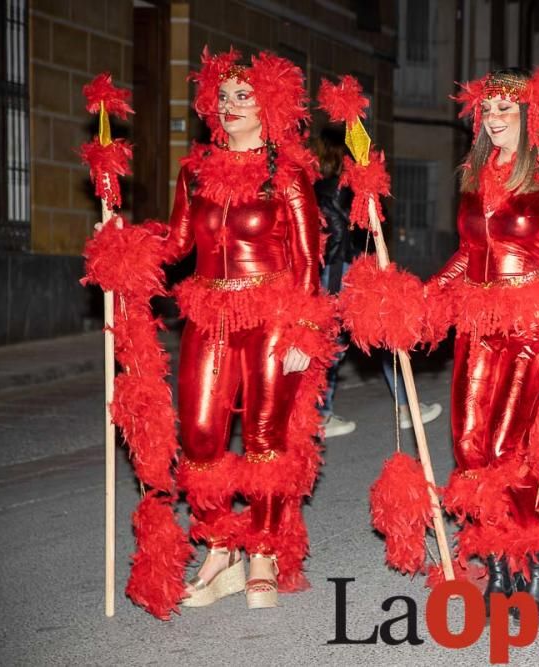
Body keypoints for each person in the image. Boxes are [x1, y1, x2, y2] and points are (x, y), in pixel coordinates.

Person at [429, 61, 539, 613]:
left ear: (531, 115)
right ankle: (499, 552)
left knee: (509, 444)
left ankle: (534, 561)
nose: (495, 115)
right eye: (488, 107)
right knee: (469, 448)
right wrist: (425, 294)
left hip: (533, 324)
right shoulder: (472, 177)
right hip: (478, 326)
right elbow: (467, 256)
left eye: (507, 107)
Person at [165, 48, 339, 609]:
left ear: (269, 105)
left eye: (245, 96)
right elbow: (176, 246)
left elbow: (311, 260)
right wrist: (120, 237)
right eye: (223, 97)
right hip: (208, 314)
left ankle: (262, 549)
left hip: (272, 315)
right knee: (198, 433)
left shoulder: (286, 173)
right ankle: (221, 545)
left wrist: (302, 333)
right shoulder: (193, 172)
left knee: (265, 438)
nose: (231, 105)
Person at [313, 128, 442, 437]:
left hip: (342, 269)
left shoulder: (320, 186)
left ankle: (327, 412)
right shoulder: (338, 188)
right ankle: (324, 414)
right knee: (359, 337)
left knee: (366, 336)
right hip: (345, 270)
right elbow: (341, 235)